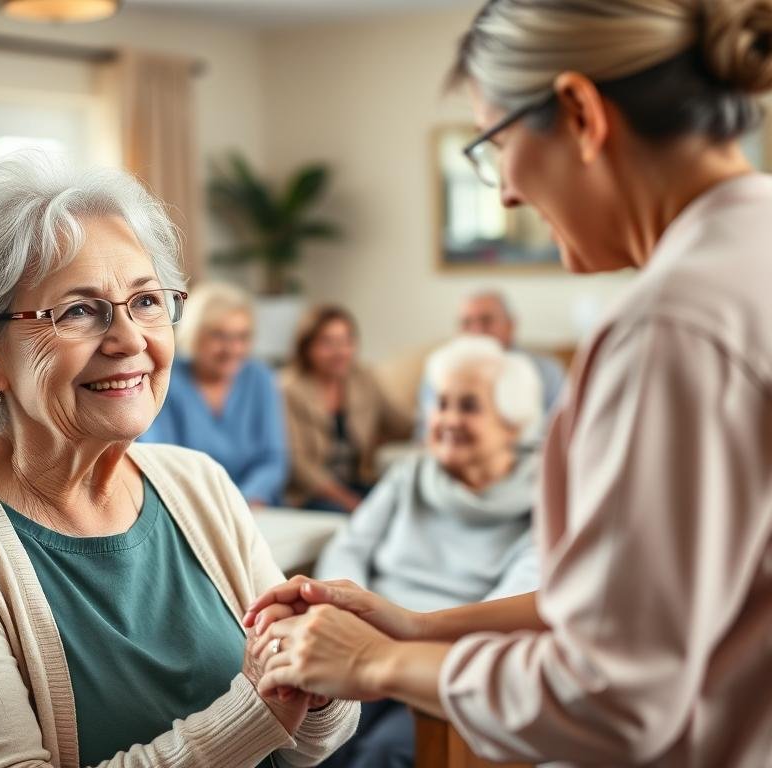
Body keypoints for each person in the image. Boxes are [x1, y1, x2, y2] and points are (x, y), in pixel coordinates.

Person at [245, 1, 772, 765]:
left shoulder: (672, 327)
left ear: (581, 112)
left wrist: (371, 663)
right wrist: (416, 627)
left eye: (493, 146)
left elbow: (615, 695)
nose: (507, 195)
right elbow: (650, 601)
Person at [0, 153, 358, 767]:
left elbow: (304, 747)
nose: (130, 340)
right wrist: (252, 712)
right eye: (77, 310)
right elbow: (260, 721)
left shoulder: (198, 482)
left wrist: (314, 678)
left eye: (146, 301)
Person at [313, 335, 542, 767]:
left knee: (384, 752)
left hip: (455, 659)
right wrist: (354, 615)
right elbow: (349, 546)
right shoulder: (411, 472)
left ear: (514, 423)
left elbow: (515, 601)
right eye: (441, 403)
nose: (448, 419)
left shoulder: (544, 497)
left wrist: (405, 644)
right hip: (369, 636)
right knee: (312, 731)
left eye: (469, 406)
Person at [139, 281, 287, 506]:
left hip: (254, 507)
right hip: (188, 507)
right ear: (194, 335)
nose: (232, 349)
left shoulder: (260, 377)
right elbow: (161, 461)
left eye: (242, 337)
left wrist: (244, 501)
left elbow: (272, 458)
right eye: (219, 336)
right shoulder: (165, 380)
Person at [280, 305, 413, 513]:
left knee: (407, 505)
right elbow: (298, 465)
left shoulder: (364, 378)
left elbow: (402, 423)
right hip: (311, 493)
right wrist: (350, 502)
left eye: (346, 341)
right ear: (306, 347)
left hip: (357, 481)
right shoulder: (287, 389)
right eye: (327, 342)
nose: (340, 352)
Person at [417, 291, 565, 435]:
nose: (477, 331)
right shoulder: (439, 368)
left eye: (486, 320)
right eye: (466, 322)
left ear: (510, 325)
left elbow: (560, 432)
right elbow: (426, 432)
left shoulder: (546, 371)